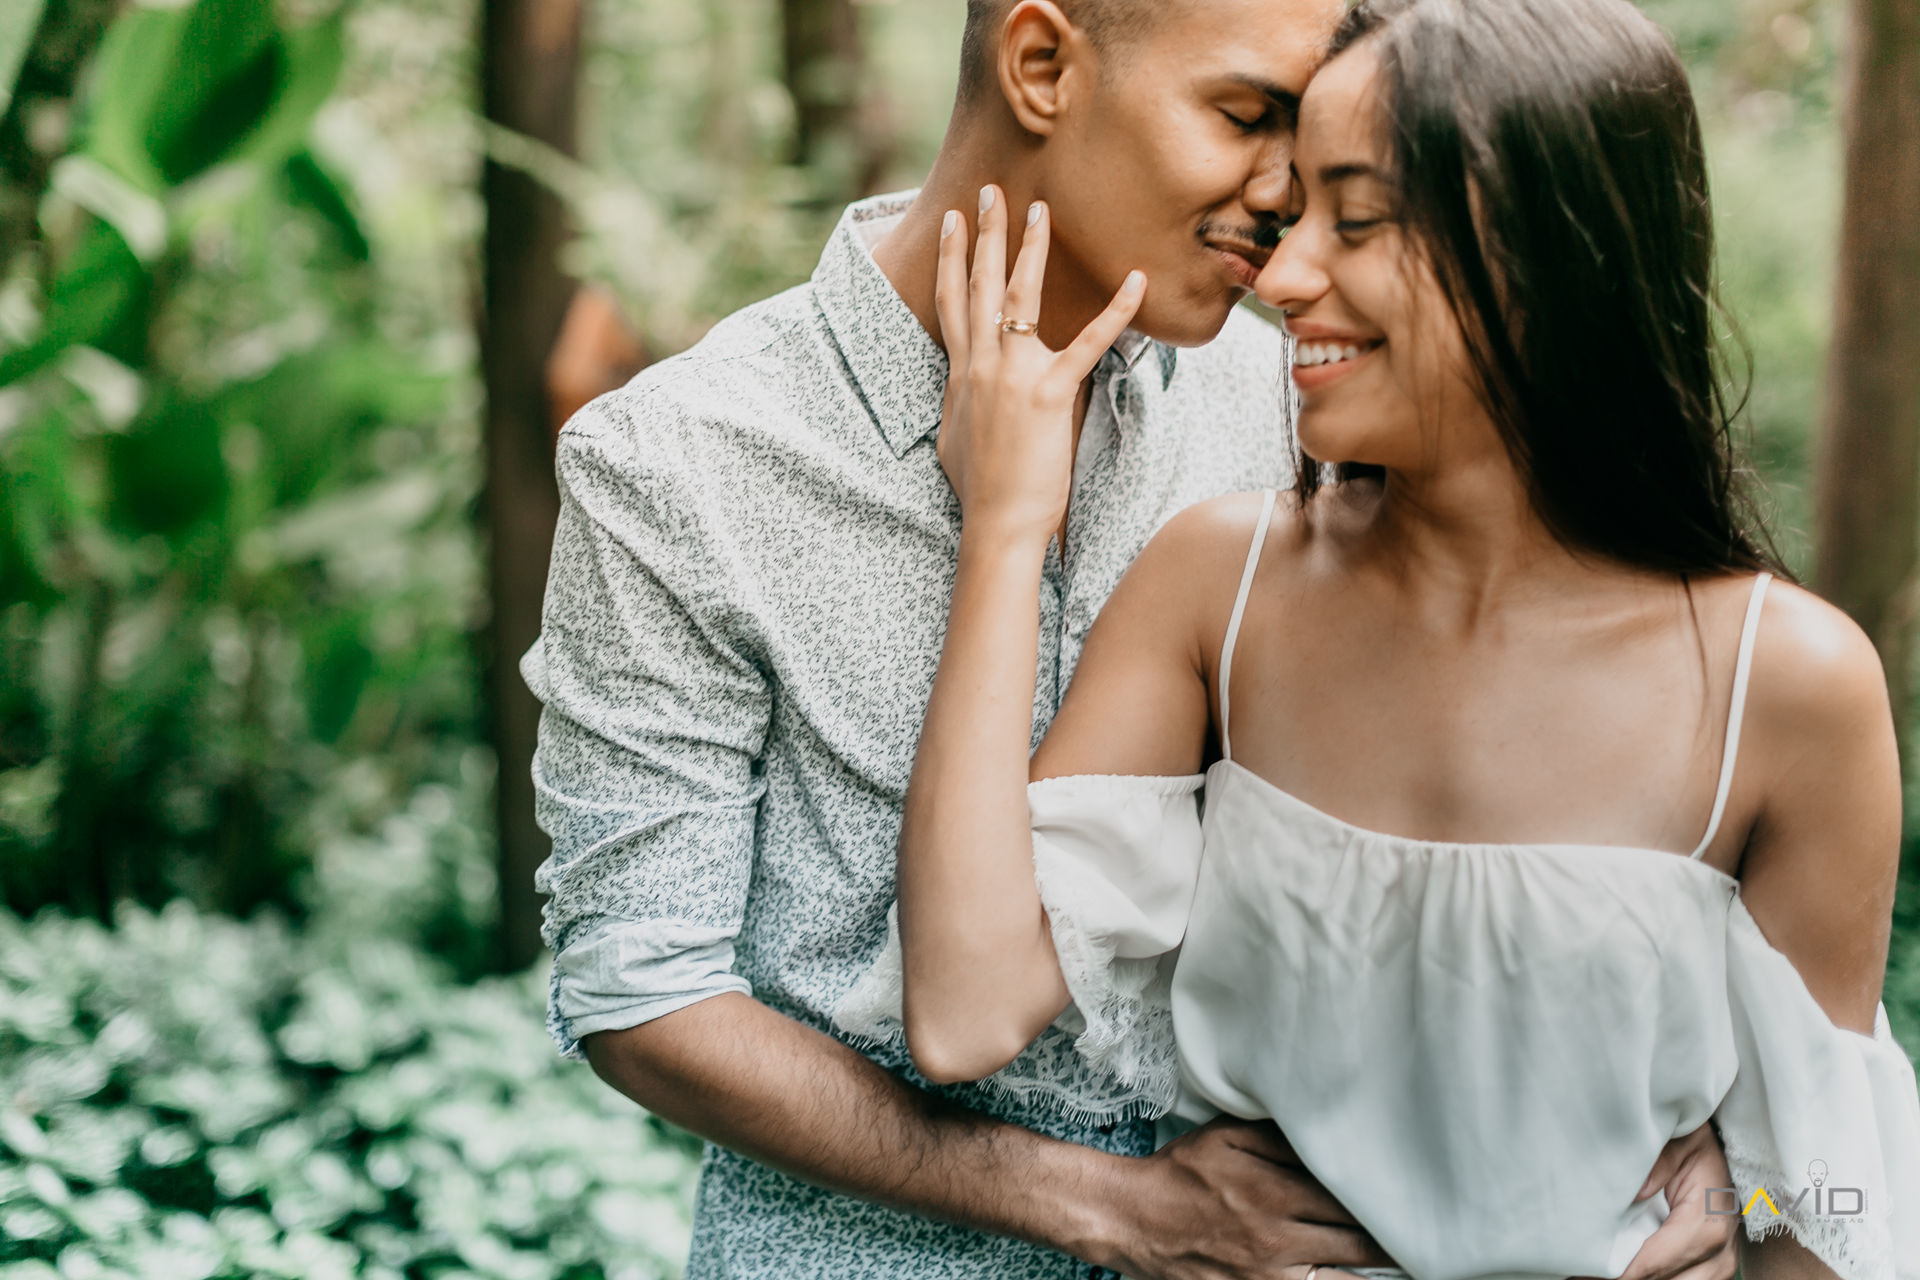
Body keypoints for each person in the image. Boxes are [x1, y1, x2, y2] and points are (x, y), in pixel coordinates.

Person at [525, 1, 1742, 1277]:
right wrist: (1099, 1200)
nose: (1286, 196)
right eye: (1248, 115)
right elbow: (644, 993)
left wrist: (1692, 1137)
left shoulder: (1307, 406)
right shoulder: (679, 461)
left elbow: (1533, 786)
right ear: (1043, 66)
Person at [848, 0, 1920, 1278]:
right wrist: (1007, 531)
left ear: (1553, 248)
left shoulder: (1786, 687)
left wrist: (1740, 1224)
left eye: (1353, 220)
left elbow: (1827, 1198)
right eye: (1296, 211)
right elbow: (966, 1008)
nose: (1285, 272)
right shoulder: (1220, 585)